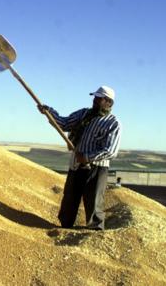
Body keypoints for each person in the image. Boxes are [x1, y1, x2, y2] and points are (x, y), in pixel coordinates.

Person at [38, 85, 121, 230]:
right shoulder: (83, 114)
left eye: (99, 98)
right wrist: (49, 112)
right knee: (69, 198)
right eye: (95, 98)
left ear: (108, 102)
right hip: (76, 165)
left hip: (96, 168)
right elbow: (64, 123)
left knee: (93, 201)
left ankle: (95, 232)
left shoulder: (113, 123)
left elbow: (110, 150)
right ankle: (64, 227)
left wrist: (88, 157)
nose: (94, 101)